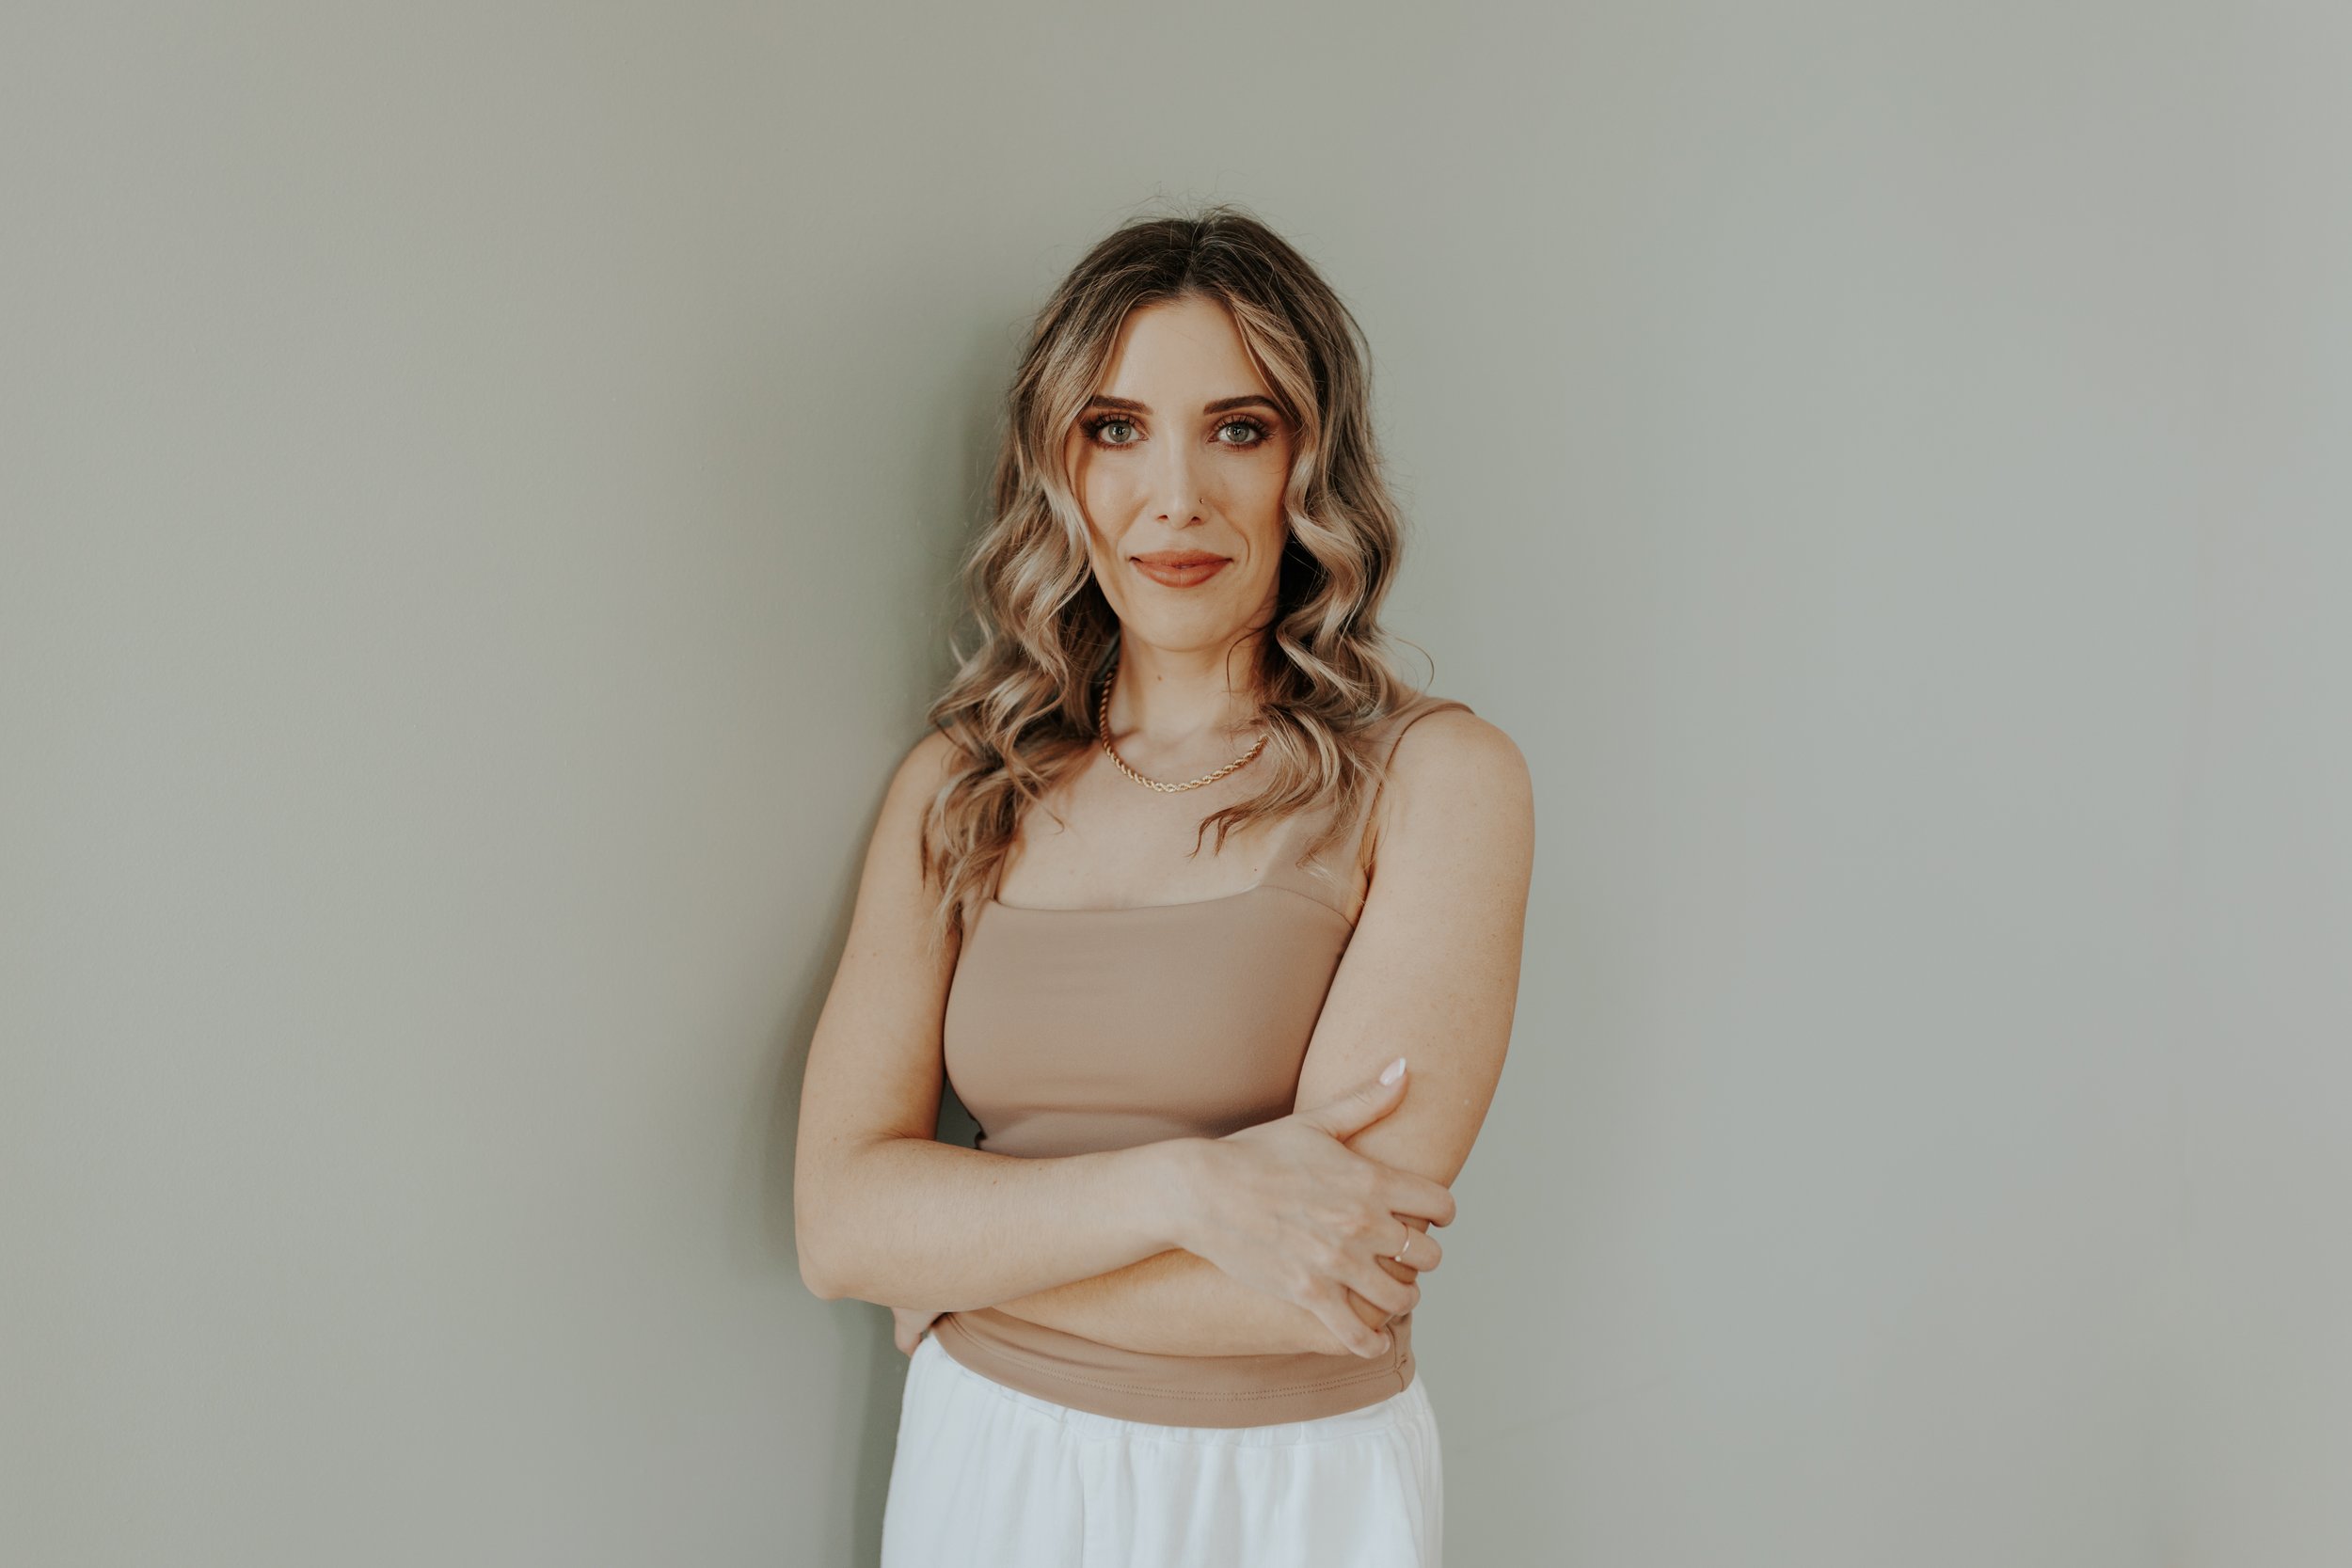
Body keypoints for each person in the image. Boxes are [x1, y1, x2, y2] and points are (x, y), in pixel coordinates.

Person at [793, 204, 1534, 1568]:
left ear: (1312, 461)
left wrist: (961, 1265)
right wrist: (1186, 1193)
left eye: (1239, 430)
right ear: (1056, 466)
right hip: (988, 1470)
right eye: (1116, 428)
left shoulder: (1439, 780)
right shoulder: (964, 784)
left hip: (1289, 1498)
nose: (1175, 496)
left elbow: (1327, 1290)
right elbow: (841, 1228)